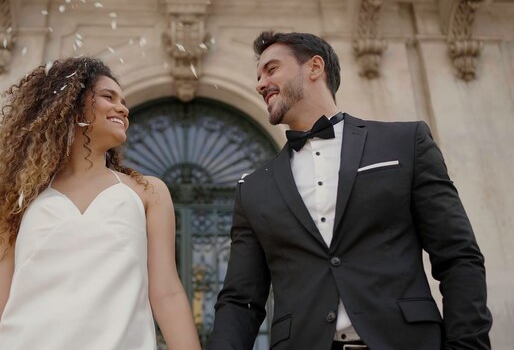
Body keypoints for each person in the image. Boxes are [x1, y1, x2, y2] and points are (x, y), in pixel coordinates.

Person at [209, 31, 492, 350]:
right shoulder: (253, 188)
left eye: (271, 69)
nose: (260, 83)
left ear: (315, 67)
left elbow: (458, 255)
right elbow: (239, 301)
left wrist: (468, 345)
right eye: (258, 76)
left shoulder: (405, 143)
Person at [0, 57, 201, 350]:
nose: (123, 108)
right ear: (71, 103)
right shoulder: (20, 199)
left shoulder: (148, 192)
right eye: (107, 97)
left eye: (123, 101)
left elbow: (167, 294)